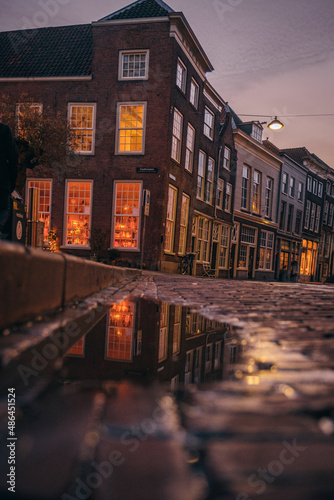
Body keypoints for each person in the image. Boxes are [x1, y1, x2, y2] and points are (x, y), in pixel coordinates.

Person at [0, 122, 18, 237]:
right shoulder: (4, 130)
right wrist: (12, 183)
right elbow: (13, 157)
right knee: (5, 209)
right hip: (1, 182)